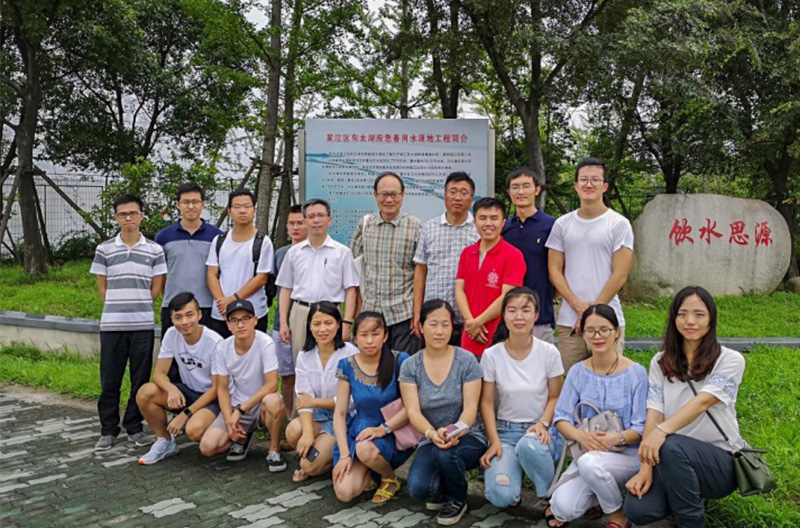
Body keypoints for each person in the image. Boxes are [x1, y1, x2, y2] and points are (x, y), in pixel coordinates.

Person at [624, 286, 746, 528]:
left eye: (699, 314)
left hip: (720, 462)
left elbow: (704, 401)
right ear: (674, 318)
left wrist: (662, 432)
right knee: (637, 510)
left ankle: (690, 519)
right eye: (682, 313)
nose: (690, 321)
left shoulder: (730, 359)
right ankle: (685, 492)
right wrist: (645, 467)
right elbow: (654, 411)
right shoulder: (660, 361)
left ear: (711, 319)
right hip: (671, 458)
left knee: (670, 444)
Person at [548, 304, 647, 528]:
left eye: (605, 329)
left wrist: (613, 439)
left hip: (627, 456)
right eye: (590, 330)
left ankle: (617, 515)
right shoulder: (577, 371)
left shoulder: (636, 374)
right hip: (588, 451)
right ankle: (598, 494)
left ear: (617, 332)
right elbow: (561, 417)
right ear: (583, 335)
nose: (598, 336)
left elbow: (641, 427)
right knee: (562, 508)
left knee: (591, 465)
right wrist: (582, 437)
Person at [90, 194, 167, 451]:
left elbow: (157, 287)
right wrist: (115, 308)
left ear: (142, 215)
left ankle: (134, 426)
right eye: (123, 214)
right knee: (109, 379)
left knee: (140, 379)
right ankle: (108, 429)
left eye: (133, 213)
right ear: (116, 218)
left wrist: (140, 304)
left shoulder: (154, 249)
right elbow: (102, 288)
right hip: (112, 325)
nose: (128, 218)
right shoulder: (105, 249)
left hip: (142, 324)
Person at [400, 300, 486, 526]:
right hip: (431, 439)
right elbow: (413, 412)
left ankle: (458, 499)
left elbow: (471, 408)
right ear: (421, 326)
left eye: (445, 325)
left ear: (452, 328)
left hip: (468, 436)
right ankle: (443, 484)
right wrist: (431, 434)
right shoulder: (410, 366)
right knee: (420, 489)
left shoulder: (466, 360)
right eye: (433, 324)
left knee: (447, 454)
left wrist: (453, 431)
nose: (439, 331)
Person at [546, 158, 634, 372]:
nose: (589, 184)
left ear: (604, 186)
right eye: (583, 179)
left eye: (595, 179)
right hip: (570, 321)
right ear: (576, 186)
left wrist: (592, 313)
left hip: (608, 319)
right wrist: (577, 306)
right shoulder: (562, 224)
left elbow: (620, 275)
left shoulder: (619, 224)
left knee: (609, 381)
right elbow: (554, 270)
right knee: (572, 382)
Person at [480, 287, 564, 508]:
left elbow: (556, 396)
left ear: (536, 315)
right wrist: (494, 441)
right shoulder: (492, 355)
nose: (519, 317)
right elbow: (486, 403)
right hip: (505, 432)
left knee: (529, 447)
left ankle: (549, 497)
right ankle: (513, 475)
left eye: (526, 310)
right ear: (504, 315)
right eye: (512, 310)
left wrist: (543, 423)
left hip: (540, 430)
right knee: (501, 496)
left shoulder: (549, 352)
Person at [332, 311, 413, 504]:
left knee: (365, 450)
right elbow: (340, 412)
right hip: (359, 432)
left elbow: (411, 408)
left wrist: (382, 429)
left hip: (392, 432)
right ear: (355, 339)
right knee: (344, 492)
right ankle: (371, 472)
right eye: (364, 335)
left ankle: (388, 478)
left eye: (375, 334)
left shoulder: (400, 361)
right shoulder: (347, 365)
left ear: (385, 336)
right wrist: (344, 454)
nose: (369, 341)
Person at [198, 299, 287, 472]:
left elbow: (271, 385)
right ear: (228, 325)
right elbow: (222, 388)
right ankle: (242, 439)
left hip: (259, 405)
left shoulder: (265, 343)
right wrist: (230, 419)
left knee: (273, 401)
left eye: (245, 318)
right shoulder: (222, 348)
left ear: (255, 320)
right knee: (207, 447)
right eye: (235, 320)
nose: (241, 324)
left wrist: (241, 410)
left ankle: (274, 449)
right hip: (236, 405)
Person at [136, 292, 223, 465]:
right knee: (146, 392)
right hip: (188, 392)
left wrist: (185, 415)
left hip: (213, 399)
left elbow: (216, 389)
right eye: (178, 317)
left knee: (194, 431)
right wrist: (171, 389)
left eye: (189, 315)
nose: (184, 322)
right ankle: (165, 441)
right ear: (172, 319)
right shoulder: (171, 334)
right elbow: (159, 374)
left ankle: (224, 432)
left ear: (199, 314)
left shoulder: (215, 343)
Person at [285, 301, 358, 483]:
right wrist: (308, 433)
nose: (322, 329)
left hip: (343, 417)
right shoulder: (305, 355)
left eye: (328, 323)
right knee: (294, 431)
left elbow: (351, 401)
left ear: (338, 324)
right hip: (319, 416)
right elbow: (304, 400)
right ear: (309, 326)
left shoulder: (350, 353)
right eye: (316, 324)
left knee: (308, 466)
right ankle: (320, 456)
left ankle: (319, 462)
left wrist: (315, 402)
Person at [277, 199, 358, 358]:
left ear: (329, 220)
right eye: (311, 216)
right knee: (301, 361)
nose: (316, 220)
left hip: (331, 313)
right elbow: (286, 289)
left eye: (321, 215)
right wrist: (284, 322)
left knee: (334, 362)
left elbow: (351, 289)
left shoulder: (342, 252)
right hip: (301, 313)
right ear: (305, 220)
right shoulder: (294, 253)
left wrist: (347, 322)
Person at [352, 171, 422, 353]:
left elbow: (421, 272)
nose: (389, 200)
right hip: (371, 312)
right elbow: (355, 269)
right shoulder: (365, 224)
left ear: (403, 195)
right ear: (375, 195)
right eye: (384, 194)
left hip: (403, 314)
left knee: (402, 369)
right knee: (372, 369)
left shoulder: (415, 226)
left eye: (394, 194)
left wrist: (417, 315)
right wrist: (357, 308)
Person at [413, 172, 479, 345]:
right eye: (453, 191)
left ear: (471, 199)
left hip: (469, 317)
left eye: (464, 193)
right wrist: (417, 314)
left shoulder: (479, 230)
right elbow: (420, 271)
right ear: (444, 196)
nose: (458, 197)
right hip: (434, 316)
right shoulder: (429, 228)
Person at [455, 197, 526, 358]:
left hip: (498, 336)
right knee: (470, 382)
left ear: (503, 222)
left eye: (494, 218)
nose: (488, 223)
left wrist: (478, 322)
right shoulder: (467, 253)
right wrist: (470, 322)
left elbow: (508, 296)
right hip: (469, 335)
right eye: (482, 218)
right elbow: (460, 289)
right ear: (475, 222)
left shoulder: (513, 255)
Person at [155, 183, 222, 338]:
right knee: (173, 356)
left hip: (206, 306)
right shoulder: (164, 237)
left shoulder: (216, 236)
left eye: (195, 202)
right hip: (173, 307)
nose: (191, 206)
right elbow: (160, 274)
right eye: (185, 202)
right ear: (178, 205)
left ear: (202, 204)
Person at [206, 189, 274, 339]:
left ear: (254, 210)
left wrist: (233, 300)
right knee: (221, 356)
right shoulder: (219, 240)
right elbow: (211, 274)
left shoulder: (263, 241)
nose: (242, 211)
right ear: (229, 210)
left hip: (253, 313)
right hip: (221, 314)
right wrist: (222, 303)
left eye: (247, 206)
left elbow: (261, 278)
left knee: (252, 358)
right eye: (237, 207)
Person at [501, 168, 557, 343]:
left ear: (537, 190)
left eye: (526, 186)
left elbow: (560, 268)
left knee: (541, 367)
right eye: (515, 187)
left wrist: (550, 297)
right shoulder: (504, 228)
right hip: (508, 314)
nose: (521, 192)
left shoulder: (551, 225)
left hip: (540, 314)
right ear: (509, 192)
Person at [272, 204, 308, 419]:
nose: (295, 228)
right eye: (291, 223)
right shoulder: (280, 253)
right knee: (287, 374)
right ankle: (288, 417)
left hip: (308, 321)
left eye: (300, 223)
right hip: (281, 323)